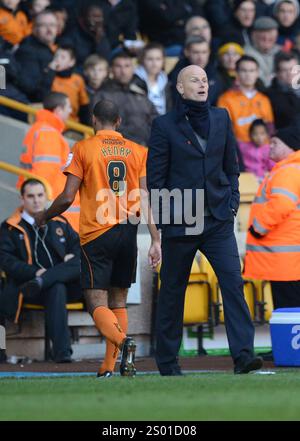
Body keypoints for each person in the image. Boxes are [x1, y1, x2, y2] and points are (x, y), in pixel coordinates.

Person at [147, 64, 263, 375]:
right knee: (172, 290)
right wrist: (161, 227)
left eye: (204, 80)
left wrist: (234, 201)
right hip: (180, 221)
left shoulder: (221, 117)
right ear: (180, 89)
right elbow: (156, 180)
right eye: (193, 80)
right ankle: (168, 362)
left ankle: (243, 356)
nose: (202, 84)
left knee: (233, 285)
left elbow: (231, 166)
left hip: (218, 218)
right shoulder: (163, 125)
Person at [34, 99, 161, 377]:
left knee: (96, 303)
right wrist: (155, 238)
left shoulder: (82, 148)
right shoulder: (138, 151)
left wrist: (45, 215)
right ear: (119, 122)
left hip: (96, 233)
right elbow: (145, 196)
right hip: (128, 231)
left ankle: (122, 342)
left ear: (93, 120)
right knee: (119, 301)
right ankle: (109, 367)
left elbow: (68, 196)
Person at [0, 179, 81, 362]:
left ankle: (46, 280)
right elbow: (6, 261)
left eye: (40, 195)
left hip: (69, 288)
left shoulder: (60, 221)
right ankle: (62, 354)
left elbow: (79, 247)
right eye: (31, 196)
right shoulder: (10, 227)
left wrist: (73, 256)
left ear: (46, 197)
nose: (36, 200)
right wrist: (34, 273)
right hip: (28, 289)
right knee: (57, 286)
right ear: (22, 199)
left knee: (82, 262)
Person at [244, 124, 300, 309]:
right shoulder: (291, 169)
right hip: (288, 261)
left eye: (275, 143)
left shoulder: (287, 171)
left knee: (288, 316)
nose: (270, 146)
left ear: (290, 146)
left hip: (285, 262)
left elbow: (282, 204)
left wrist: (258, 227)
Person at [18, 92, 80, 231]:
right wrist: (45, 211)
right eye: (68, 107)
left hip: (52, 209)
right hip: (56, 212)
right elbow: (45, 174)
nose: (71, 111)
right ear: (58, 110)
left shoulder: (39, 129)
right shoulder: (49, 134)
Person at [94, 52, 158, 146]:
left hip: (146, 148)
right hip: (116, 149)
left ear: (133, 69)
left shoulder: (140, 93)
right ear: (111, 70)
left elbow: (156, 120)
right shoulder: (102, 94)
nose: (123, 71)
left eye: (127, 66)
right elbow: (101, 126)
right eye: (118, 66)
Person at [217, 55, 274, 143]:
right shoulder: (225, 99)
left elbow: (270, 129)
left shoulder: (264, 99)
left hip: (264, 152)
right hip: (239, 151)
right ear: (236, 73)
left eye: (252, 71)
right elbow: (224, 131)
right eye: (244, 70)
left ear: (257, 73)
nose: (248, 74)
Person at [15, 10, 59, 101]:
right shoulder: (27, 51)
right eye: (44, 25)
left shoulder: (56, 49)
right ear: (34, 29)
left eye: (52, 25)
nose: (49, 30)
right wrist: (50, 70)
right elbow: (32, 89)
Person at [59, 3, 111, 68]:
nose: (97, 21)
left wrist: (99, 40)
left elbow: (105, 60)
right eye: (94, 16)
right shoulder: (72, 35)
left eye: (99, 17)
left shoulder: (101, 34)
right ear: (83, 19)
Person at [50, 45, 90, 124]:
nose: (57, 59)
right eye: (56, 56)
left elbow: (84, 106)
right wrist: (49, 72)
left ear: (71, 62)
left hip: (71, 124)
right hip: (51, 119)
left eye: (63, 57)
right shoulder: (48, 76)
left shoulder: (78, 80)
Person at [135, 42, 172, 115]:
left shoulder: (166, 81)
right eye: (150, 59)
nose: (154, 63)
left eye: (158, 59)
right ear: (142, 60)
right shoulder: (134, 81)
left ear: (163, 61)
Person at [266, 51, 300, 129]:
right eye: (284, 70)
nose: (290, 73)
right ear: (277, 73)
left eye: (293, 69)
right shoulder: (270, 96)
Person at [245, 16, 281, 87]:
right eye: (262, 34)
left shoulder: (281, 52)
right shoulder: (246, 54)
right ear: (253, 35)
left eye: (270, 34)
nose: (266, 37)